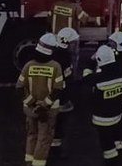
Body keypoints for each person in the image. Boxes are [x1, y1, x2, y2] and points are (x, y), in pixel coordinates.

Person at [18, 33, 65, 166]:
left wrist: (32, 103)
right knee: (44, 139)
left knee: (31, 135)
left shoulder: (28, 66)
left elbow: (20, 88)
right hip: (48, 112)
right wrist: (43, 106)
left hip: (30, 110)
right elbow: (58, 90)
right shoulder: (56, 67)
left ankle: (28, 162)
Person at [83, 45, 122, 162]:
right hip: (117, 115)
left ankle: (111, 160)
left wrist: (90, 61)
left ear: (99, 60)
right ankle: (120, 154)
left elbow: (86, 78)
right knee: (114, 137)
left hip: (101, 119)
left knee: (106, 144)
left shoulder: (98, 79)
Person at [103, 31, 122, 154]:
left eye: (112, 43)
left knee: (120, 118)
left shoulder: (121, 59)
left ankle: (120, 142)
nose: (110, 45)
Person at [50, 28, 79, 151]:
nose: (75, 46)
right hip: (58, 98)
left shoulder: (55, 53)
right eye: (74, 43)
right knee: (58, 122)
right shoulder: (64, 57)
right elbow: (67, 80)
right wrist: (66, 99)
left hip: (53, 96)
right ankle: (55, 146)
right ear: (67, 43)